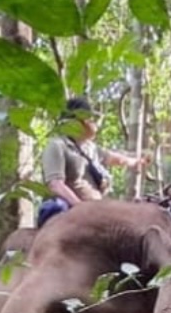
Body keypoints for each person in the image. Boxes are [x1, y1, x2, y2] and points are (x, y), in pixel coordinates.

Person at [37, 96, 148, 227]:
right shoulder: (57, 145)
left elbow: (114, 158)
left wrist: (136, 161)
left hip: (96, 209)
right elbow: (55, 184)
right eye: (90, 119)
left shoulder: (91, 148)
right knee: (55, 207)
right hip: (70, 210)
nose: (94, 123)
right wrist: (81, 208)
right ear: (75, 121)